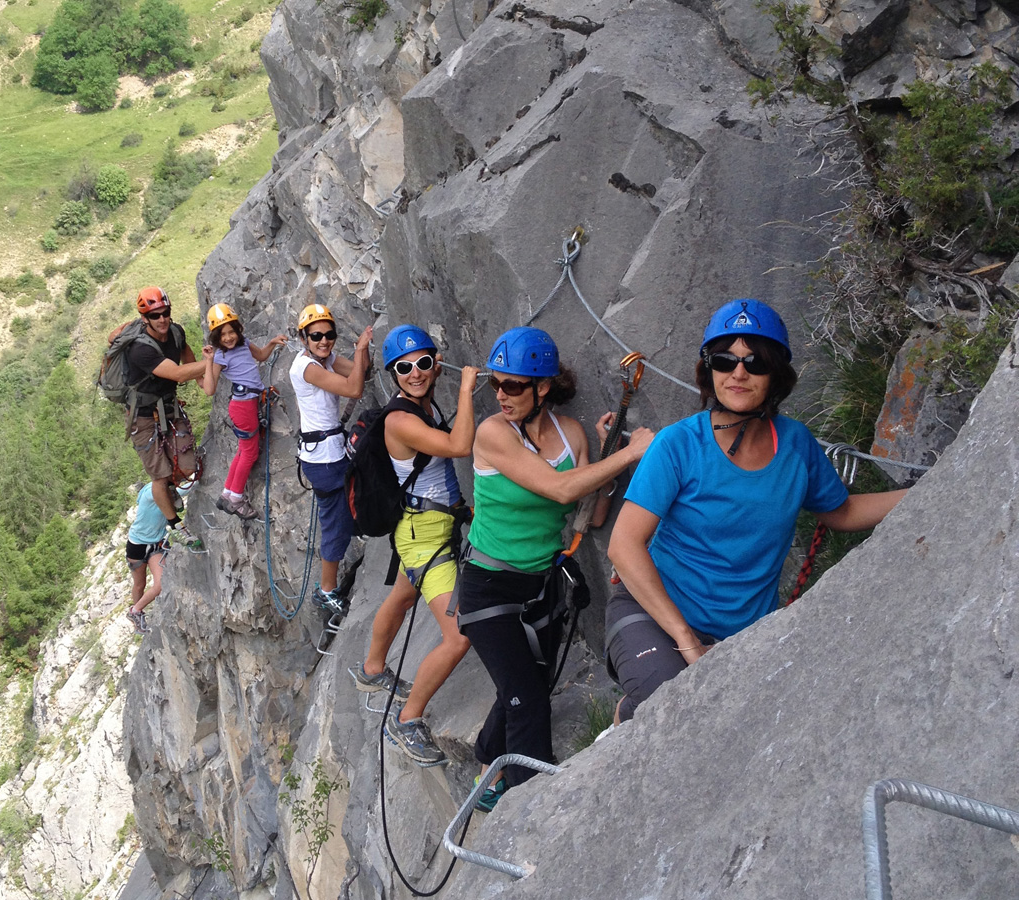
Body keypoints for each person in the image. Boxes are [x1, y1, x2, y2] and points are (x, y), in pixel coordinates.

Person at [605, 299, 907, 726]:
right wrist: (687, 641)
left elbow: (840, 512)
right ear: (709, 370)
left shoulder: (796, 444)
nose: (739, 372)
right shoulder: (679, 444)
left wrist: (924, 492)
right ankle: (623, 721)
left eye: (755, 362)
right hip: (653, 613)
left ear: (776, 374)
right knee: (664, 699)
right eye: (725, 360)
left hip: (743, 630)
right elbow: (624, 544)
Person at [457, 326, 654, 810]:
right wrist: (631, 452)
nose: (501, 395)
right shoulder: (492, 434)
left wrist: (609, 454)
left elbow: (594, 512)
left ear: (543, 387)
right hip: (487, 585)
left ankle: (487, 768)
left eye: (514, 386)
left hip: (539, 584)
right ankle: (534, 808)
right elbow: (562, 490)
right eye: (495, 384)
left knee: (524, 685)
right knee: (529, 697)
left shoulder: (571, 435)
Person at [346, 325, 479, 767]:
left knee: (404, 595)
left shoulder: (422, 404)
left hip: (422, 529)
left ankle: (372, 669)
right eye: (405, 367)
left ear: (434, 362)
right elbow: (459, 446)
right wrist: (465, 389)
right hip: (425, 537)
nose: (416, 373)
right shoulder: (401, 419)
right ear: (392, 374)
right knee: (458, 637)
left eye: (424, 362)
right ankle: (407, 719)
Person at [288, 303, 373, 611]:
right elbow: (354, 388)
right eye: (315, 336)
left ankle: (356, 525)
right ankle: (326, 590)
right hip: (322, 459)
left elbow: (362, 372)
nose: (323, 341)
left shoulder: (325, 358)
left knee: (349, 498)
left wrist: (362, 356)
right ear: (303, 339)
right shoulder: (306, 367)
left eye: (329, 334)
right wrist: (361, 350)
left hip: (330, 452)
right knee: (334, 522)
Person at [112, 286, 207, 550]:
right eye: (155, 316)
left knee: (188, 468)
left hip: (169, 408)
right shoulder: (139, 349)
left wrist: (204, 377)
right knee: (160, 476)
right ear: (145, 318)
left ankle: (170, 490)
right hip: (142, 418)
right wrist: (216, 361)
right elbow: (177, 374)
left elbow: (188, 358)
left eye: (165, 313)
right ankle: (175, 525)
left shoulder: (175, 332)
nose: (162, 319)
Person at [201, 303, 288, 520]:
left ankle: (227, 492)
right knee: (250, 452)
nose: (229, 337)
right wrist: (209, 361)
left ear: (238, 330)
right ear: (216, 338)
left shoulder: (244, 344)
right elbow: (210, 389)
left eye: (231, 332)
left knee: (243, 450)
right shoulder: (220, 356)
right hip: (244, 406)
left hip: (246, 404)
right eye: (223, 335)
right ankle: (236, 499)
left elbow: (261, 356)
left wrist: (271, 343)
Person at [126, 482, 170, 635]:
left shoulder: (159, 488)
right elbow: (173, 493)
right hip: (137, 545)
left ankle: (135, 611)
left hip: (155, 544)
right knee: (139, 584)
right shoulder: (152, 491)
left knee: (160, 583)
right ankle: (137, 614)